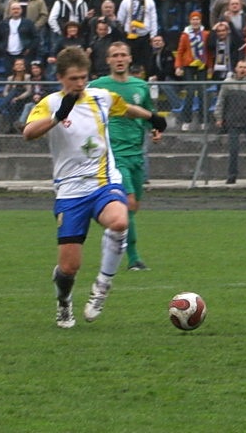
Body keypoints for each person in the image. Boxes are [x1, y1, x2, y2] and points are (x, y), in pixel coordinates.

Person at [23, 46, 167, 329]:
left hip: (103, 181)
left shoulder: (100, 97)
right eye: (73, 78)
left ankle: (102, 287)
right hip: (70, 191)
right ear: (61, 78)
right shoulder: (50, 103)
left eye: (83, 78)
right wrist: (55, 118)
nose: (79, 84)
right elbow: (28, 133)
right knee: (68, 268)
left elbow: (125, 109)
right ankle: (64, 303)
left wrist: (152, 117)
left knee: (119, 221)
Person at [89, 42, 160, 271]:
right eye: (114, 55)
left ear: (130, 59)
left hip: (137, 154)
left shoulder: (140, 86)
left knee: (134, 206)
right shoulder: (98, 86)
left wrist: (156, 129)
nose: (119, 59)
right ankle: (134, 259)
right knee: (128, 203)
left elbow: (149, 114)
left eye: (123, 55)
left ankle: (113, 230)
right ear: (108, 60)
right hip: (114, 154)